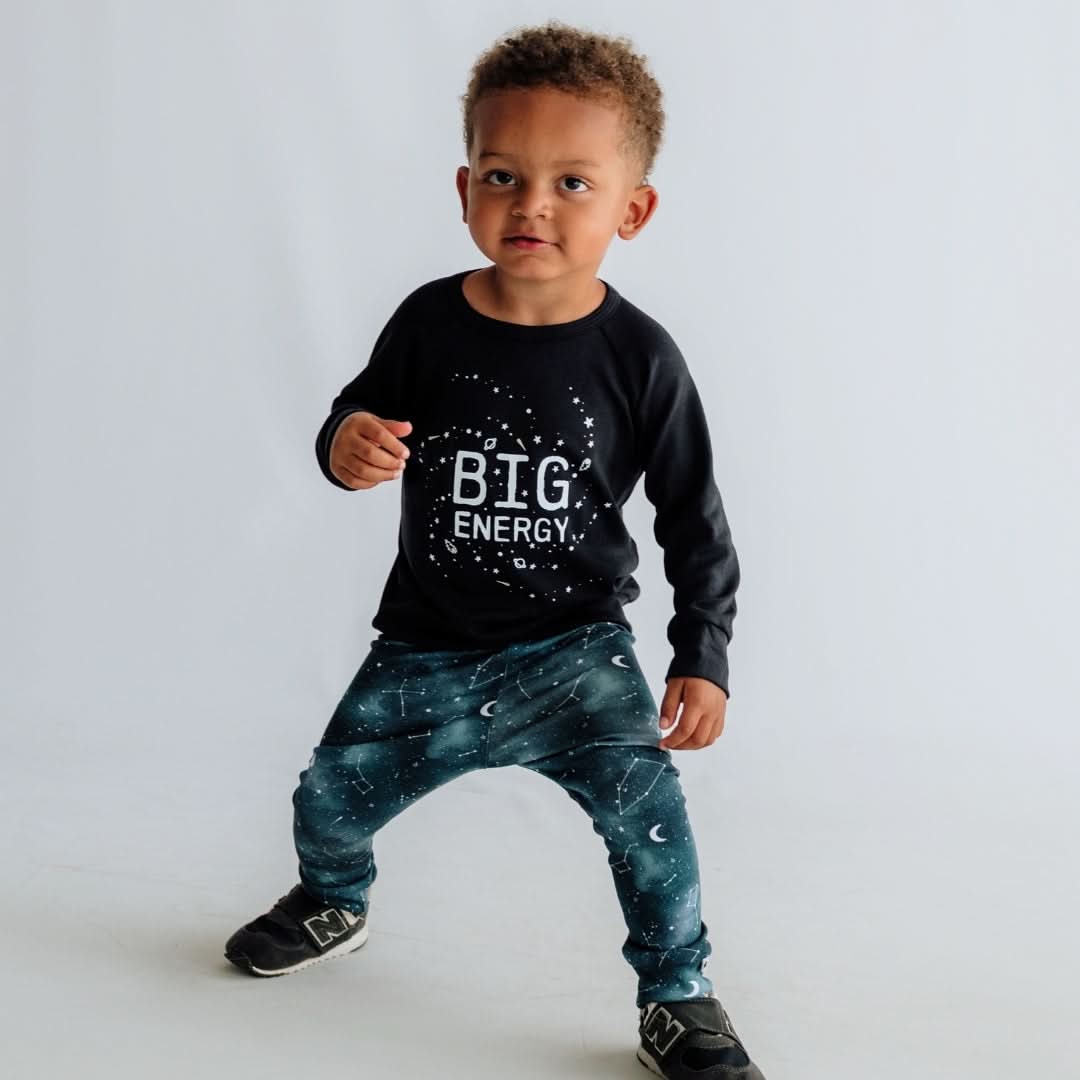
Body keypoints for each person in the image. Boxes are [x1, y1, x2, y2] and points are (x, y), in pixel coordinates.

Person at [224, 20, 766, 1080]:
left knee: (653, 827)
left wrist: (703, 652)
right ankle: (335, 900)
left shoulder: (642, 358)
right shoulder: (428, 323)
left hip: (576, 654)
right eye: (506, 176)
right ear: (465, 187)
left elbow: (695, 515)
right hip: (426, 646)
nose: (532, 206)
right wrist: (347, 442)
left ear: (632, 209)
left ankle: (679, 995)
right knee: (326, 799)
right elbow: (352, 416)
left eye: (573, 183)